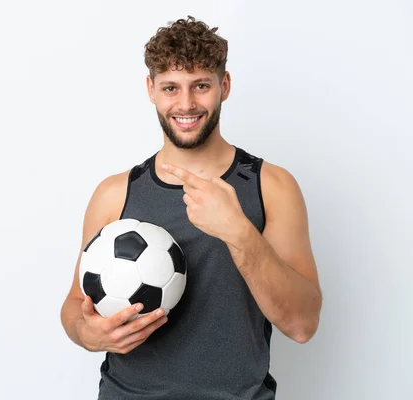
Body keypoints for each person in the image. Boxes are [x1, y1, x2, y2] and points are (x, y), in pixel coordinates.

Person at [60, 15, 322, 400]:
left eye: (201, 86)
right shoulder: (114, 193)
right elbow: (72, 306)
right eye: (171, 88)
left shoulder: (271, 186)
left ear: (224, 86)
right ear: (151, 89)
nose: (186, 104)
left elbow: (303, 324)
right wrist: (88, 333)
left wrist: (239, 232)